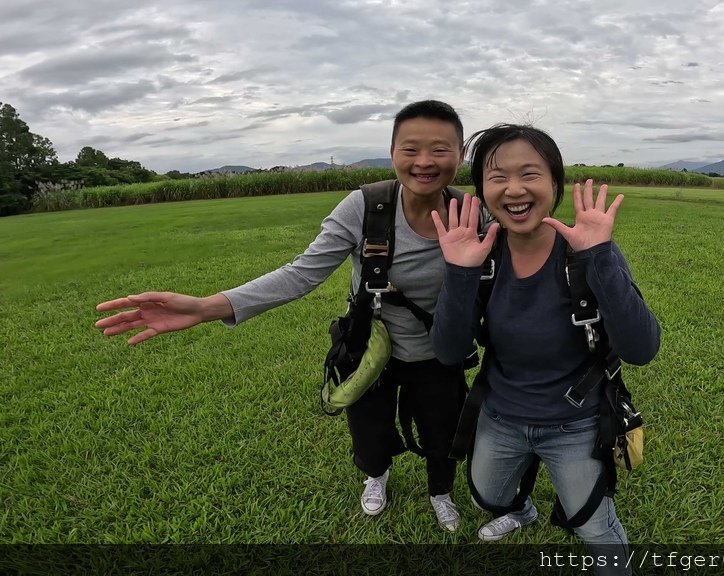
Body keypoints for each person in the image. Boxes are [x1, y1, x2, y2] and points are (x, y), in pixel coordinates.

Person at [95, 100, 470, 532]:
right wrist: (204, 306)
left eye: (440, 149)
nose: (424, 161)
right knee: (368, 429)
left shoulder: (472, 214)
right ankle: (376, 476)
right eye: (411, 149)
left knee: (443, 432)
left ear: (459, 156)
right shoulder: (366, 207)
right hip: (370, 346)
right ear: (392, 154)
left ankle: (440, 491)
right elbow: (299, 275)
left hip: (437, 352)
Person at [429, 124, 660, 574]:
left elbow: (642, 348)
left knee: (592, 527)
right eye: (497, 177)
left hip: (575, 421)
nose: (514, 189)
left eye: (529, 174)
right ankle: (523, 510)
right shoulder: (482, 257)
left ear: (554, 182)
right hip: (501, 413)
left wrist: (601, 257)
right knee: (488, 496)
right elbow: (449, 351)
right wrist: (459, 272)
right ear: (482, 191)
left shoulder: (585, 253)